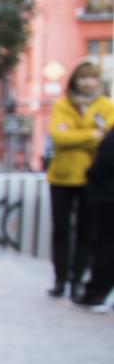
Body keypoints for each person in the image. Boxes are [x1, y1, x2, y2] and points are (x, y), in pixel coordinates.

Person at [45, 60, 113, 300]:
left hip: (90, 177)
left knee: (87, 232)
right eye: (82, 78)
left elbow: (107, 139)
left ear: (98, 81)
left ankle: (77, 280)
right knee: (61, 230)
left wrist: (74, 135)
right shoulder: (62, 105)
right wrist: (91, 135)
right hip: (62, 176)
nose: (87, 82)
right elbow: (58, 137)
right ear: (74, 81)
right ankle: (60, 279)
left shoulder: (106, 105)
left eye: (91, 77)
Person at [75, 119, 114, 312]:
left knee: (104, 244)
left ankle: (96, 293)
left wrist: (90, 173)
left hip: (107, 196)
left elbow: (105, 160)